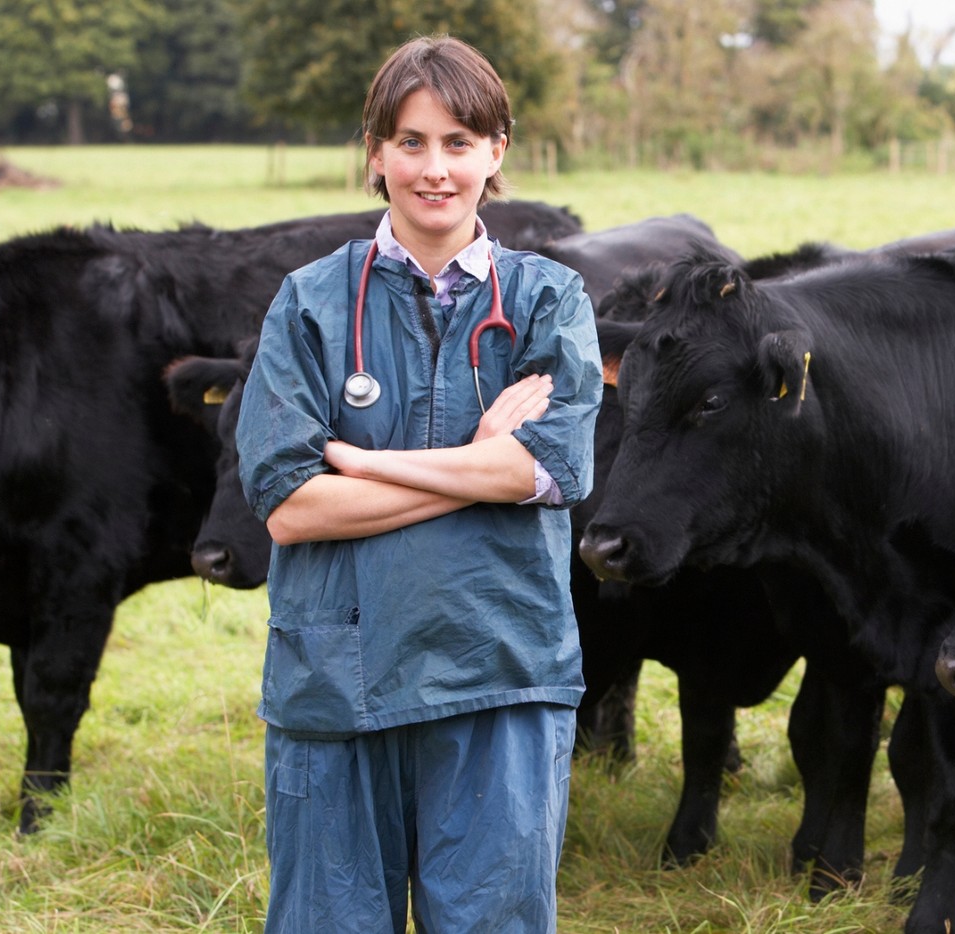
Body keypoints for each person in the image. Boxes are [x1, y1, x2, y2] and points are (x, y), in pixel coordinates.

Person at [235, 34, 600, 934]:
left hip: (501, 668)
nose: (434, 169)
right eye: (410, 142)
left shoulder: (550, 300)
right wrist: (477, 464)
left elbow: (552, 467)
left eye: (458, 143)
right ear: (376, 153)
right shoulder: (309, 304)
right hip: (337, 678)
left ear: (497, 153)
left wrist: (366, 463)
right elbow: (289, 507)